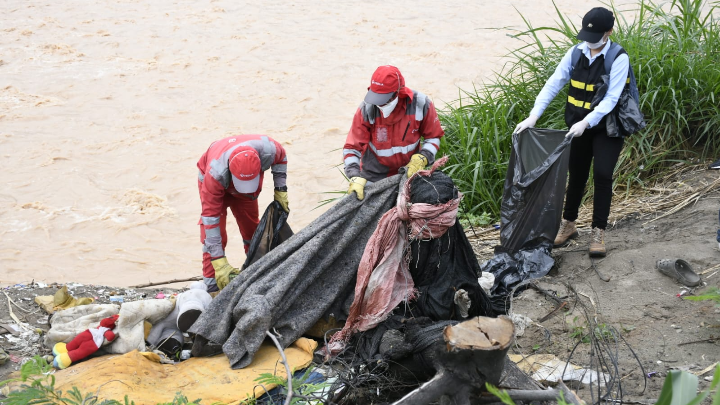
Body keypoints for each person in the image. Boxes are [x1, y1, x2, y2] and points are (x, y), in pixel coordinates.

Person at [513, 7, 630, 257]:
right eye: (586, 35)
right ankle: (569, 225)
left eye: (596, 35)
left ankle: (598, 230)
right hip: (577, 127)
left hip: (607, 127)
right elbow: (554, 83)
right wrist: (534, 116)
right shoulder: (575, 53)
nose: (589, 42)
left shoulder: (618, 57)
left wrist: (587, 122)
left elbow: (610, 99)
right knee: (576, 175)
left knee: (602, 174)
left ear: (609, 32)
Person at [197, 135, 289, 291]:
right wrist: (219, 262)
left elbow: (282, 159)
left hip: (245, 195)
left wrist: (280, 190)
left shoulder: (269, 151)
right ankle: (212, 285)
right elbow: (210, 220)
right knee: (214, 233)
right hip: (216, 184)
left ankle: (256, 270)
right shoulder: (214, 175)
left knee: (252, 230)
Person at [343, 65, 445, 199]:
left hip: (409, 171)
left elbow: (433, 137)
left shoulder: (420, 104)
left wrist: (423, 157)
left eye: (384, 100)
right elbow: (352, 148)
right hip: (373, 176)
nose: (380, 105)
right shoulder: (367, 109)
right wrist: (354, 175)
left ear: (398, 92)